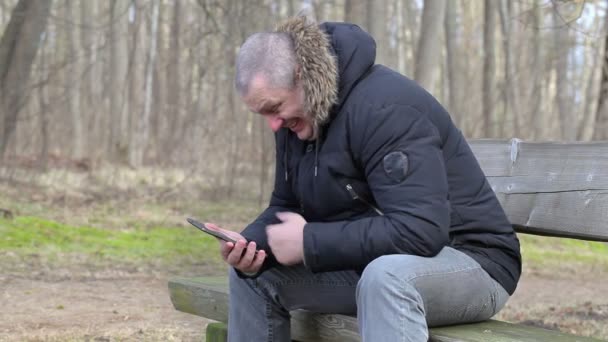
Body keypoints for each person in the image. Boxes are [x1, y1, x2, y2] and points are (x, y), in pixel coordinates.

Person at [205, 16, 521, 341]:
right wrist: (251, 245)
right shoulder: (298, 119)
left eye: (275, 108)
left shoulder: (385, 109)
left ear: (300, 77)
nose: (273, 124)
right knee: (255, 277)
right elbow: (288, 206)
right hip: (376, 264)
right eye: (264, 115)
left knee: (386, 278)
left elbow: (420, 231)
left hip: (475, 263)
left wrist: (309, 241)